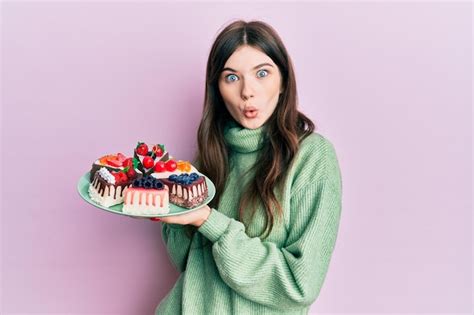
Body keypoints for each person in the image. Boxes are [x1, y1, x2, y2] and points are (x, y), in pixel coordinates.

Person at [153, 19, 343, 314]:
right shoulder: (210, 157)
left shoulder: (312, 158)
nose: (247, 92)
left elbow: (299, 285)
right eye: (231, 78)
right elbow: (189, 265)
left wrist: (209, 221)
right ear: (217, 89)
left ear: (283, 82)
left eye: (262, 73)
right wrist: (170, 212)